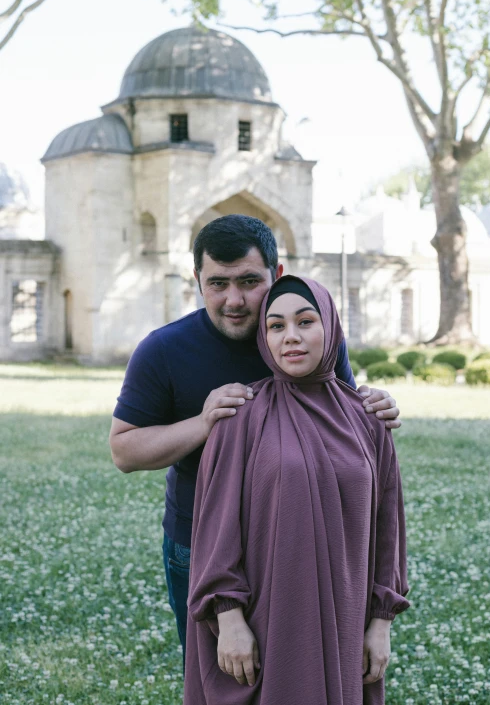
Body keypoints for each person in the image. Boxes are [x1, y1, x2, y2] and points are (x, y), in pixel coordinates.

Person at [109, 215, 402, 675]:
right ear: (197, 280)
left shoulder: (307, 333)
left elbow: (337, 420)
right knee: (227, 679)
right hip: (203, 545)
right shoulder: (164, 350)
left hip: (304, 542)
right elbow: (124, 451)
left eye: (249, 281)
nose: (234, 300)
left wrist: (374, 407)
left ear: (276, 275)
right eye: (218, 284)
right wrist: (204, 424)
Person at [184, 276, 409, 705]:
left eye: (305, 322)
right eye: (275, 326)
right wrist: (229, 620)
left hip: (347, 615)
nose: (291, 337)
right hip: (266, 618)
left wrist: (381, 623)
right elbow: (216, 530)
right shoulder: (241, 415)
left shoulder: (367, 418)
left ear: (331, 326)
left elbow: (387, 530)